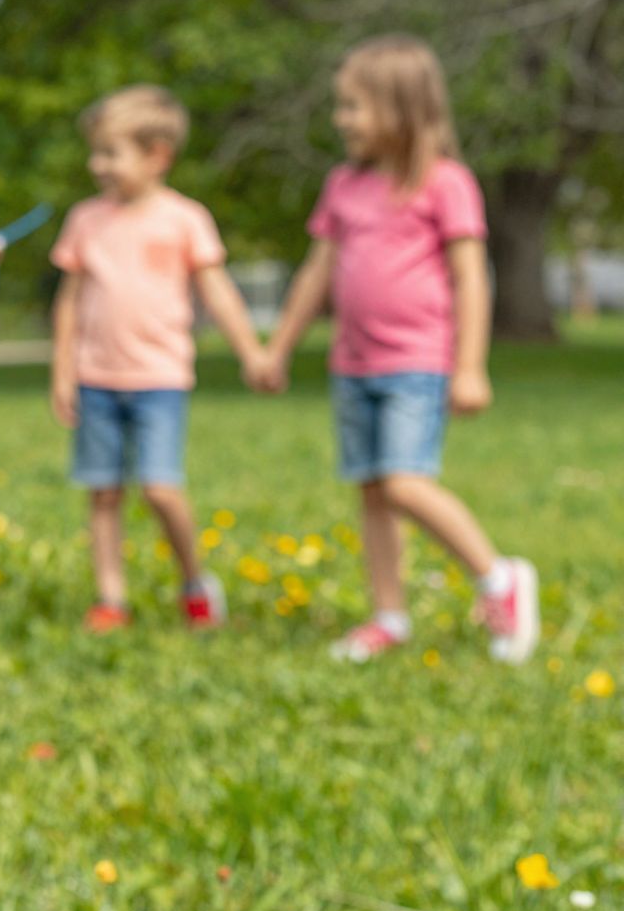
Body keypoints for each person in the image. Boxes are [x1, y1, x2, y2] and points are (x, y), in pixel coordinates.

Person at [258, 35, 539, 663]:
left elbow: (470, 277)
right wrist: (277, 348)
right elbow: (315, 274)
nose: (342, 120)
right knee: (372, 491)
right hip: (352, 363)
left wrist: (469, 367)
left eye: (354, 106)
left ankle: (499, 578)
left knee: (406, 484)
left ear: (402, 109)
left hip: (417, 359)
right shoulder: (343, 185)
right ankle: (389, 615)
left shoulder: (447, 183)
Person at [49, 85, 265, 633]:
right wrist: (62, 370)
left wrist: (252, 353)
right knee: (103, 492)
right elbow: (69, 302)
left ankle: (194, 580)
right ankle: (110, 598)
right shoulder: (85, 220)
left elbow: (217, 293)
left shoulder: (185, 219)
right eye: (95, 152)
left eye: (110, 153)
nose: (96, 165)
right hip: (97, 377)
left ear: (157, 155)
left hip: (159, 378)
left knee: (159, 489)